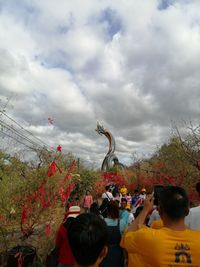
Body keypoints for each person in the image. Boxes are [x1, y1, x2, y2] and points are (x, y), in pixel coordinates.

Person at [121, 186, 200, 267]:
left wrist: (145, 210)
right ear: (187, 211)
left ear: (159, 211)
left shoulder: (148, 237)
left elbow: (127, 236)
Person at [100, 201, 126, 267]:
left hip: (103, 253)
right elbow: (124, 243)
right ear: (118, 210)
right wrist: (125, 257)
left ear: (107, 210)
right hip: (118, 254)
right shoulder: (122, 223)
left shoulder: (101, 222)